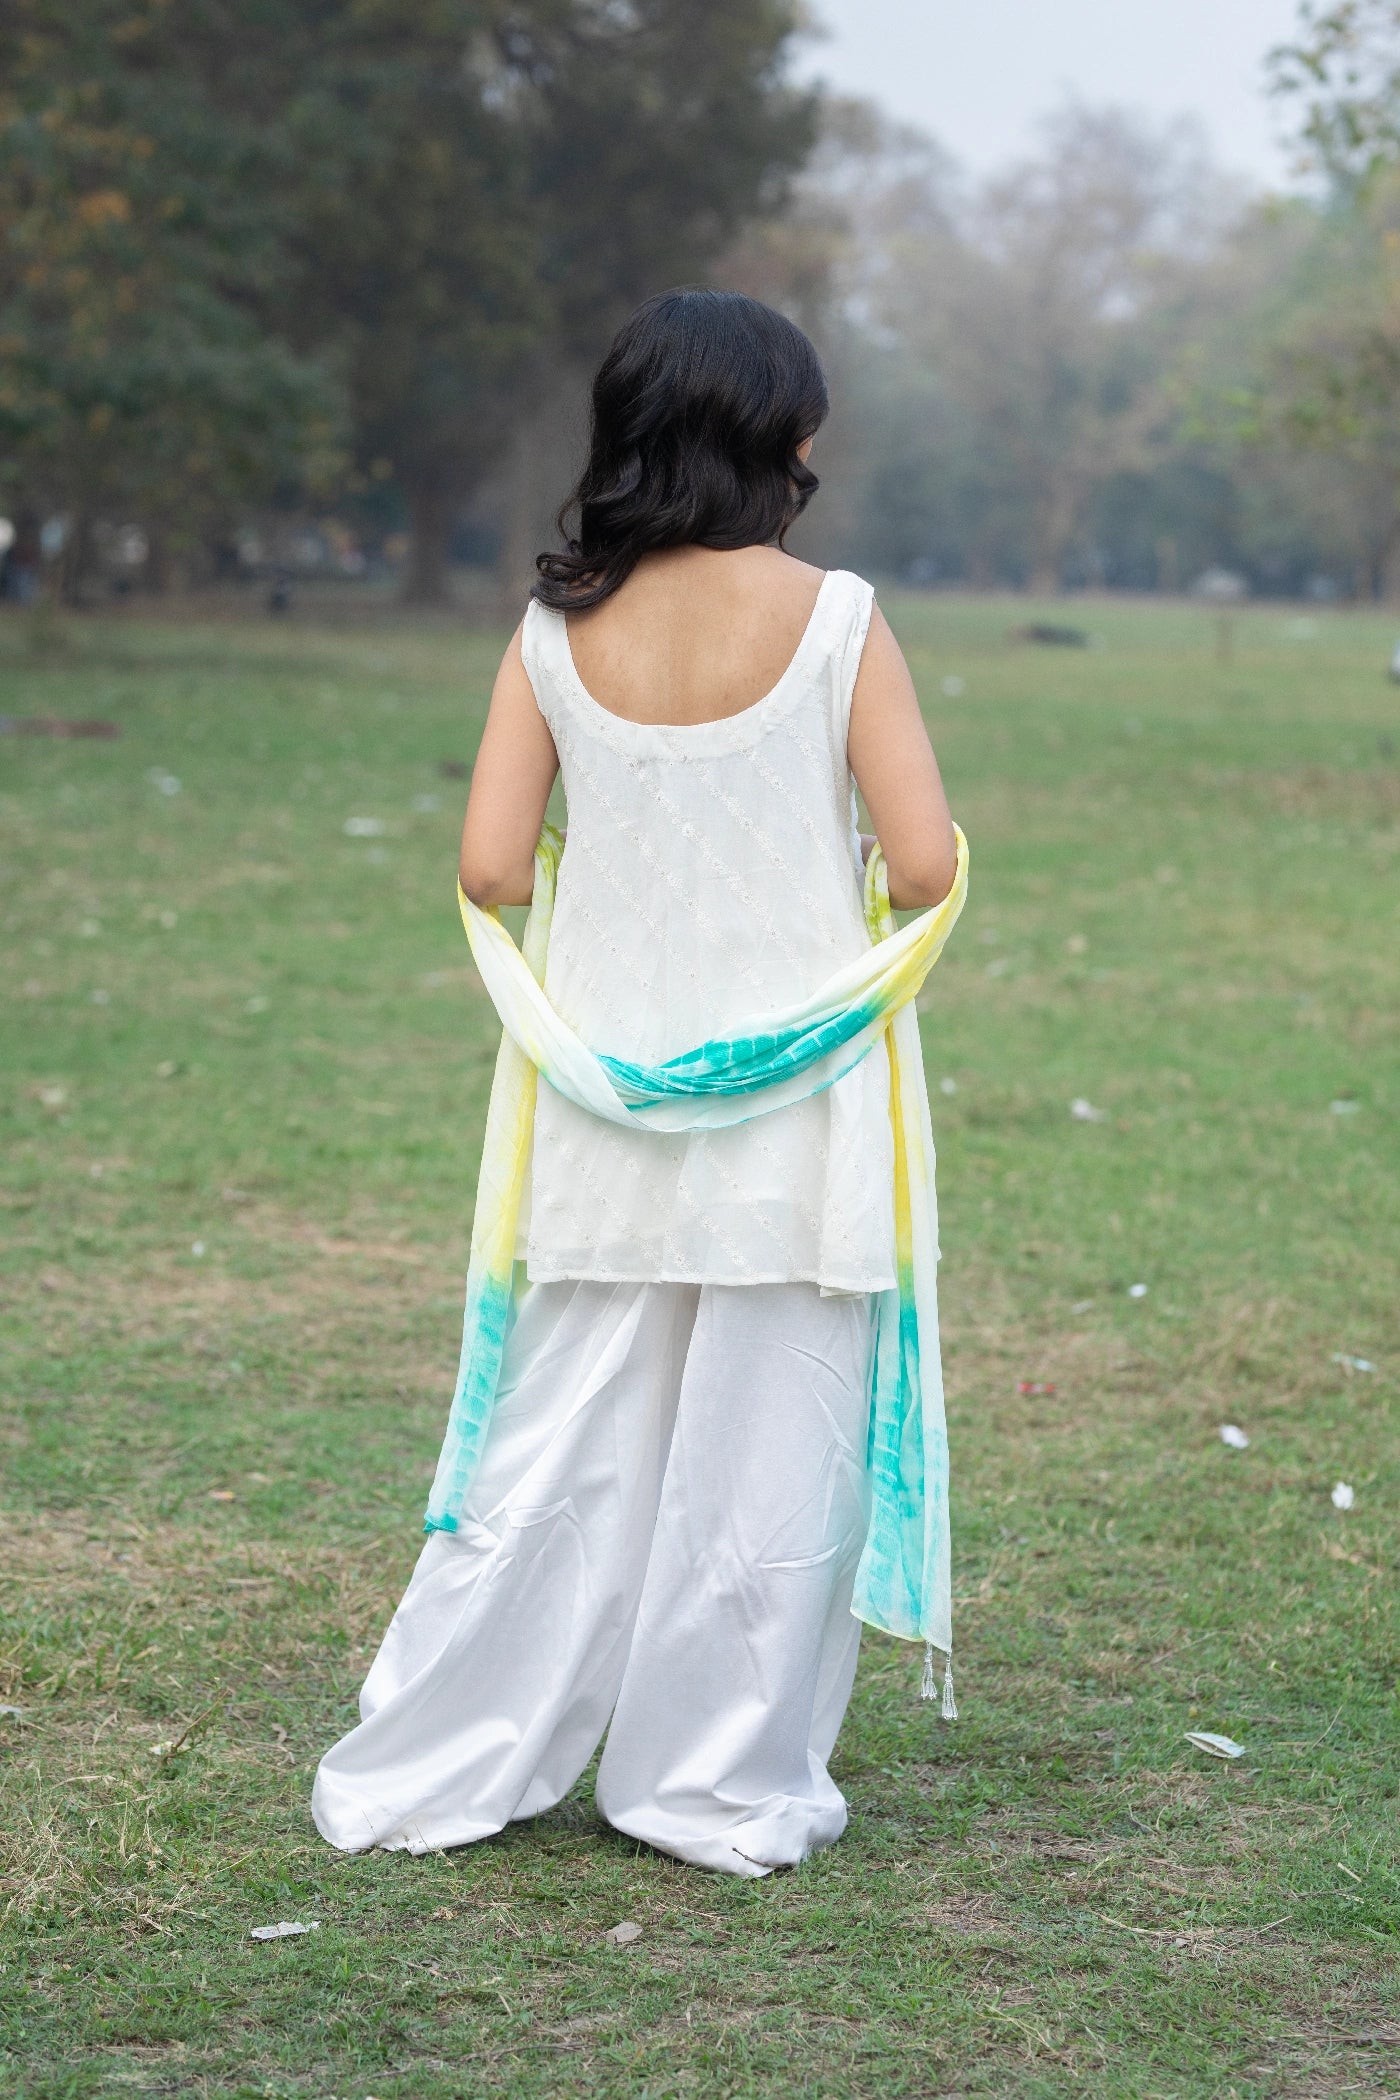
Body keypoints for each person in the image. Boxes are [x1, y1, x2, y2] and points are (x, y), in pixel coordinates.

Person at [313, 288, 964, 1877]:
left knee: (555, 1450)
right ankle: (705, 1787)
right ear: (775, 436)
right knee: (767, 1460)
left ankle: (444, 1754)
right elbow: (928, 861)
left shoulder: (551, 629)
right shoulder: (838, 619)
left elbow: (487, 866)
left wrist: (626, 846)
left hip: (604, 1097)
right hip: (797, 1116)